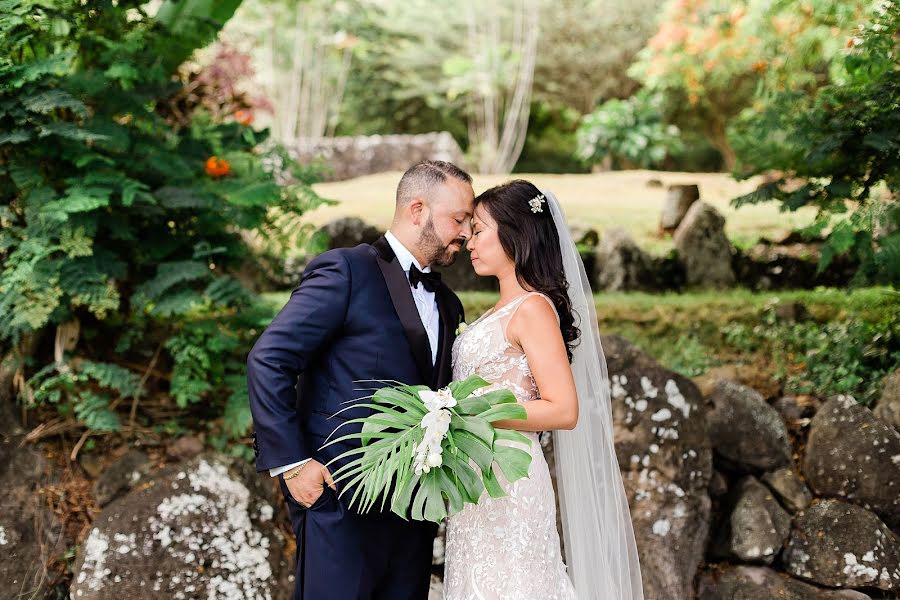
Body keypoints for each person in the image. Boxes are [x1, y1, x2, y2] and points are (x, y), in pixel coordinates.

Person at [247, 160, 474, 600]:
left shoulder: (448, 303)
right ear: (416, 209)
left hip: (413, 510)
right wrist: (293, 464)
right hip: (340, 500)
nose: (465, 232)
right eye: (459, 218)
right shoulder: (346, 271)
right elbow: (269, 358)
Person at [444, 179, 644, 600]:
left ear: (516, 235)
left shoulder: (532, 309)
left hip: (510, 477)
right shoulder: (493, 313)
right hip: (475, 479)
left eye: (479, 230)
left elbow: (563, 409)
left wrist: (474, 414)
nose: (468, 239)